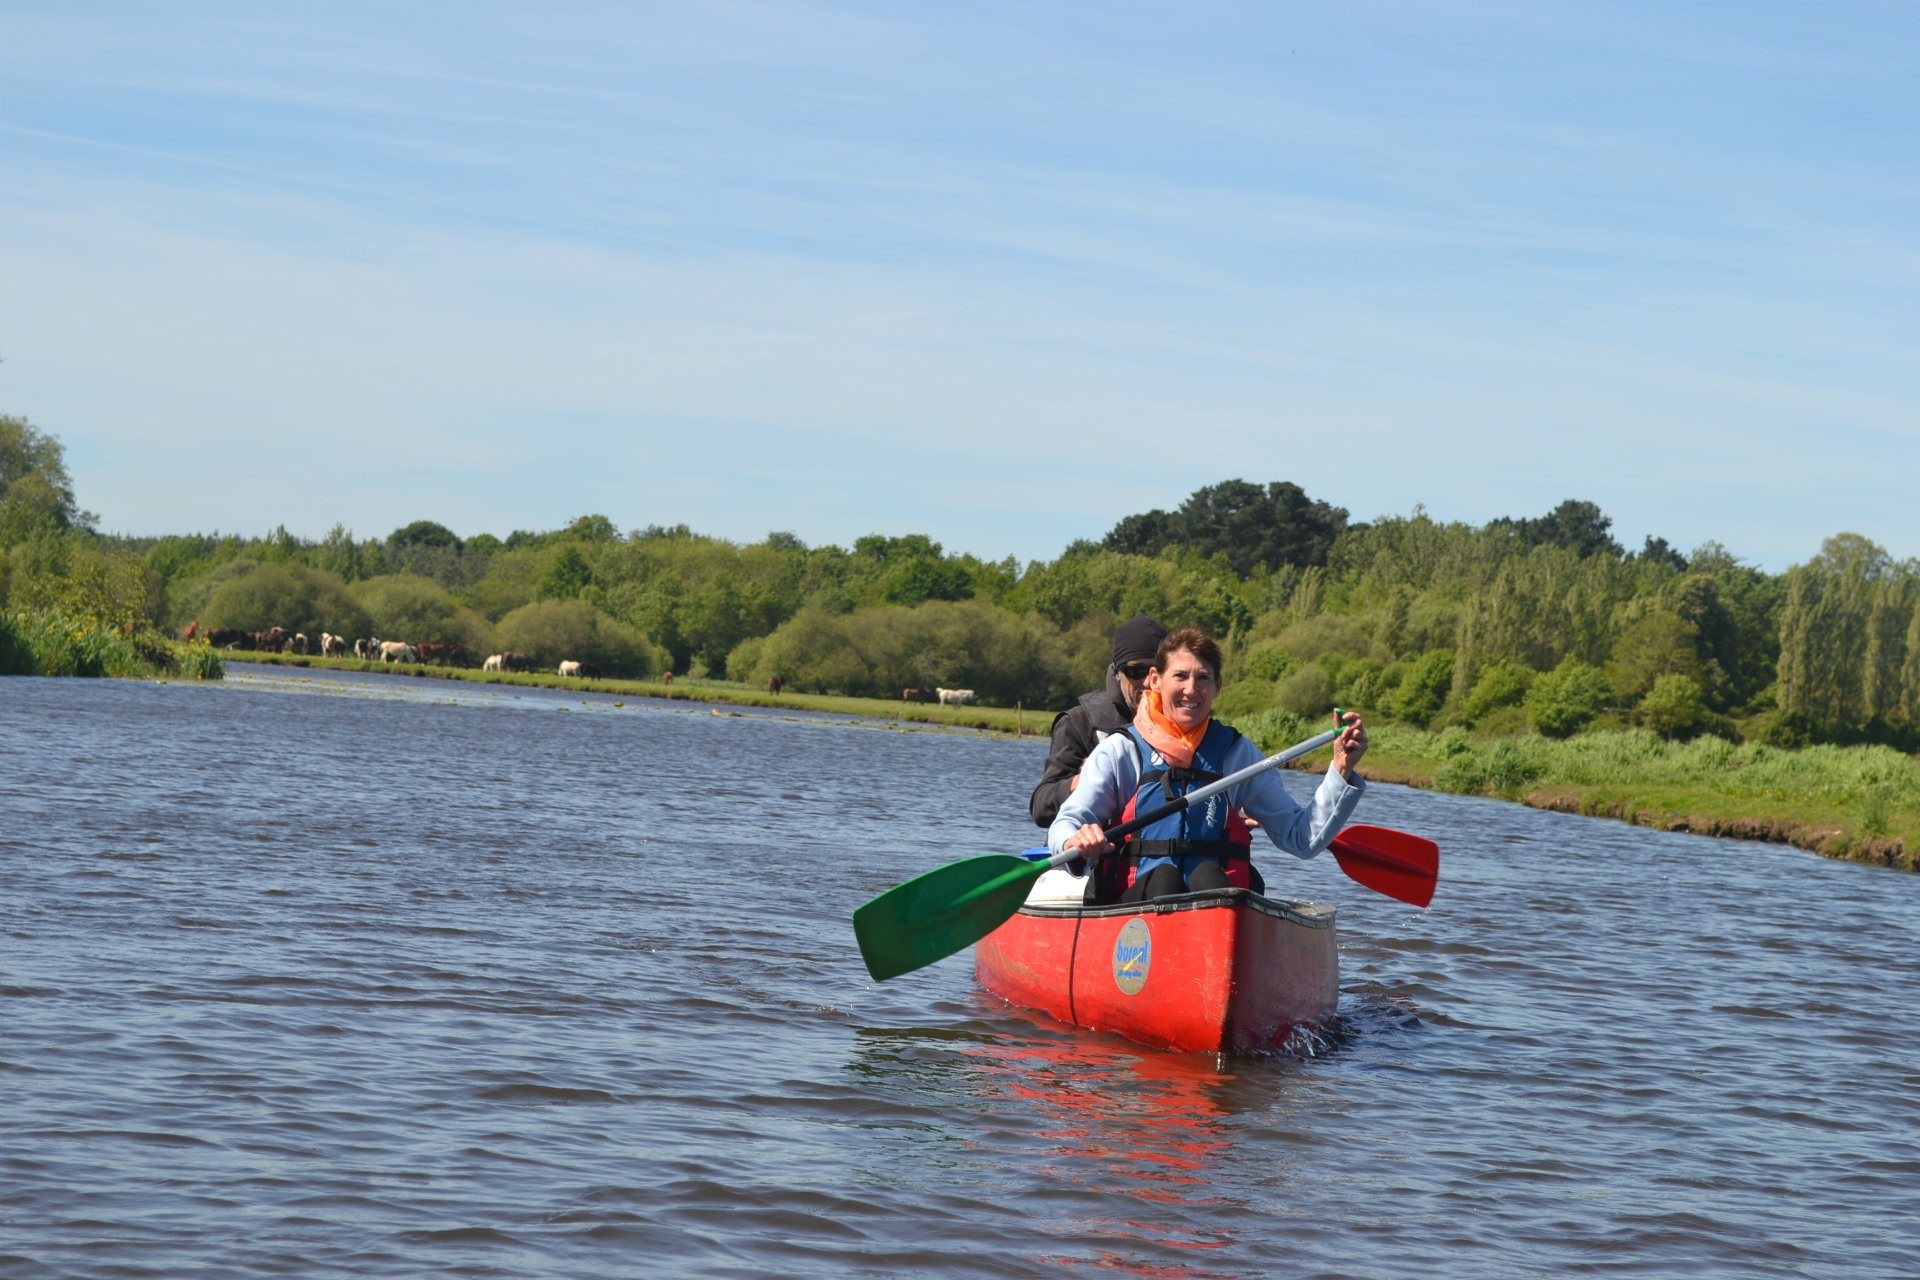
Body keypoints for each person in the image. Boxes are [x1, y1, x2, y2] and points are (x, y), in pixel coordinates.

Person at [1048, 625, 1369, 903]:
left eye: (1202, 678)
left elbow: (1302, 838)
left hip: (1215, 906)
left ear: (1218, 685)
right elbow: (1067, 822)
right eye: (1180, 676)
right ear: (1156, 680)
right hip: (1135, 914)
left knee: (1208, 877)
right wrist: (1074, 839)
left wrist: (1340, 769)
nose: (1191, 689)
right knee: (1165, 879)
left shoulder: (1237, 754)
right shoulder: (1120, 751)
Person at [1029, 614, 1168, 828]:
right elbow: (1041, 808)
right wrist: (1084, 779)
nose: (1148, 682)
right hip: (1096, 852)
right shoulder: (1078, 722)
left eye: (1157, 670)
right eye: (1137, 671)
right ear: (1117, 673)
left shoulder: (1183, 724)